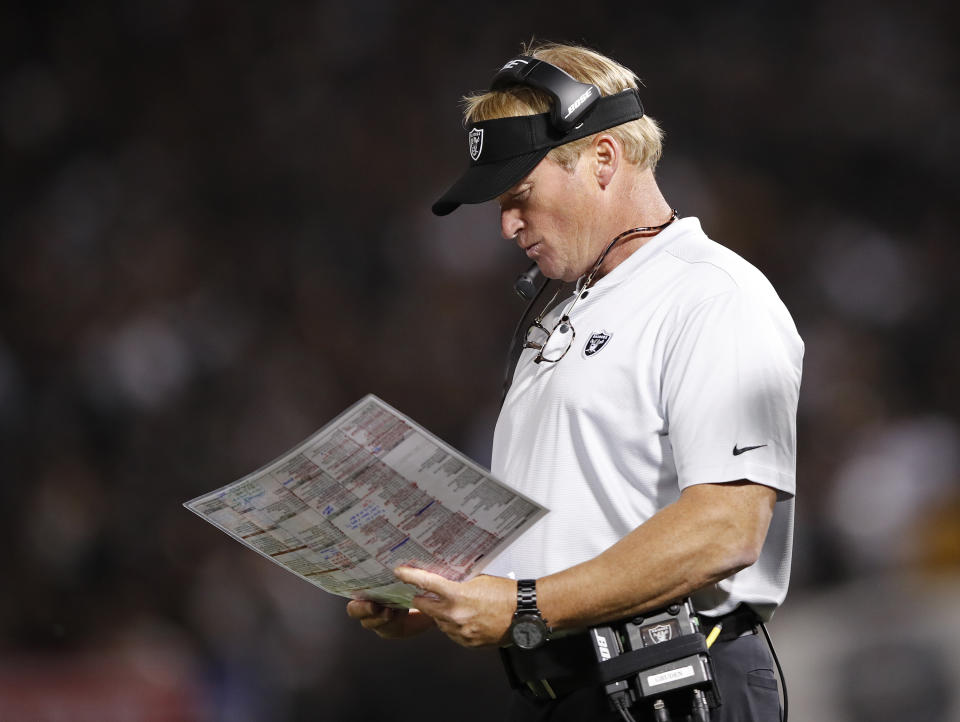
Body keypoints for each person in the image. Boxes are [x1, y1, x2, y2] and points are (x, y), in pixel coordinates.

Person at [347, 41, 802, 722]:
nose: (506, 226)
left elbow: (726, 529)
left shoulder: (712, 294)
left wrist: (525, 605)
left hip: (673, 686)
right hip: (561, 688)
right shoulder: (565, 308)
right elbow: (581, 525)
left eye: (519, 196)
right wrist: (452, 593)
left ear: (602, 160)